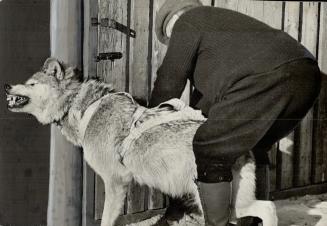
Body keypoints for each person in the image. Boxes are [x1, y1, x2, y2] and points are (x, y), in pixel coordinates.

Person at [149, 0, 321, 225]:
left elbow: (168, 83)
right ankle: (252, 220)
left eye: (171, 39)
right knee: (253, 143)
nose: (174, 45)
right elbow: (205, 110)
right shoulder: (223, 37)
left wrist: (149, 121)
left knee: (209, 147)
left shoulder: (188, 21)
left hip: (264, 77)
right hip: (307, 76)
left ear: (171, 21)